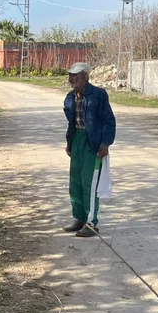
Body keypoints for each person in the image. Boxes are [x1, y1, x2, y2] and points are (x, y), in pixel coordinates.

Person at [63, 63, 116, 238]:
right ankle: (79, 218)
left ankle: (91, 222)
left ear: (86, 76)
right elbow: (72, 123)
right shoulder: (70, 97)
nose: (72, 79)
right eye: (70, 75)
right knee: (75, 182)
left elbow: (109, 120)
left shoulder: (98, 95)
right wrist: (70, 143)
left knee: (89, 183)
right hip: (77, 140)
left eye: (76, 75)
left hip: (92, 142)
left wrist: (105, 144)